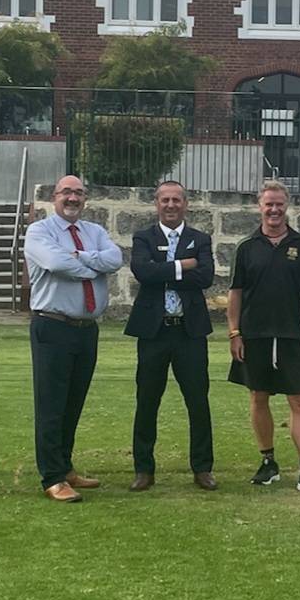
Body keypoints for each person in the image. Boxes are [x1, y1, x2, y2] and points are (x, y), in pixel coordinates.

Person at [227, 179, 300, 497]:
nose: (274, 210)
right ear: (259, 206)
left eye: (279, 204)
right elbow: (234, 293)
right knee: (258, 397)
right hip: (255, 335)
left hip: (291, 336)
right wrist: (234, 333)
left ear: (287, 206)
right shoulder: (246, 247)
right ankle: (268, 461)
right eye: (268, 204)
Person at [24, 174, 123, 503]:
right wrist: (93, 265)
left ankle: (65, 467)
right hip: (53, 326)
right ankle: (52, 477)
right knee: (51, 404)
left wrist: (80, 258)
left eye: (79, 193)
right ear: (55, 197)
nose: (73, 198)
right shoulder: (39, 231)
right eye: (67, 192)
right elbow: (55, 262)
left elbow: (115, 259)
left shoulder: (94, 232)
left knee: (73, 403)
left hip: (86, 329)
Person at [124, 180, 216, 492]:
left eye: (177, 200)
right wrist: (181, 266)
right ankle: (144, 469)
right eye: (165, 200)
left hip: (189, 333)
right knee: (147, 400)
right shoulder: (143, 237)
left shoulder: (199, 238)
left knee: (197, 401)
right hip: (154, 332)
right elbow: (143, 272)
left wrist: (164, 269)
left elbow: (204, 276)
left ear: (185, 204)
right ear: (156, 204)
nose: (171, 205)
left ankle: (203, 468)